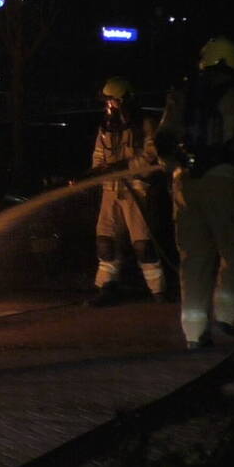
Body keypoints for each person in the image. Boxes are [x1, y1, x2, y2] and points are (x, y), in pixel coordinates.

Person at [155, 37, 234, 349]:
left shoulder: (181, 95)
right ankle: (226, 317)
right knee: (233, 251)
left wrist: (173, 168)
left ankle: (193, 332)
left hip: (184, 185)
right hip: (225, 182)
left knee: (193, 259)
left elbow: (163, 141)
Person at [86, 76, 167, 306]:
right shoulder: (106, 127)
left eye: (112, 101)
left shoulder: (144, 124)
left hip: (137, 192)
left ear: (123, 101)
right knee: (105, 241)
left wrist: (125, 167)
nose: (108, 106)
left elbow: (151, 158)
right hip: (110, 191)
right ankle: (105, 287)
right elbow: (99, 156)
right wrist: (96, 172)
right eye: (107, 102)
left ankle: (158, 291)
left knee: (142, 244)